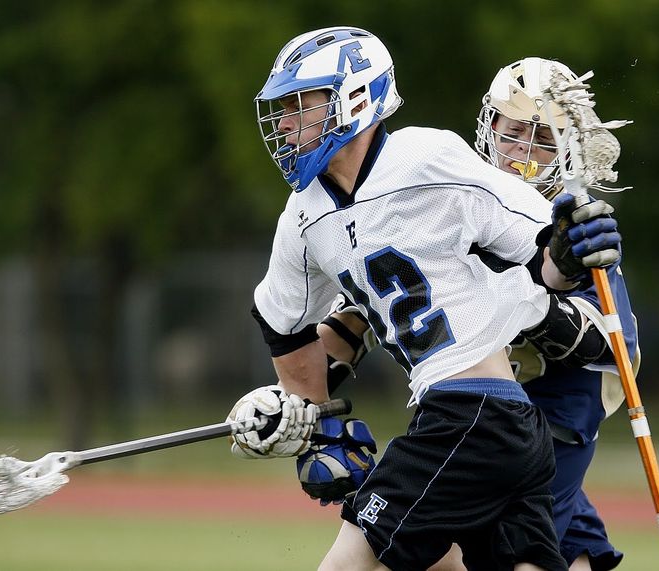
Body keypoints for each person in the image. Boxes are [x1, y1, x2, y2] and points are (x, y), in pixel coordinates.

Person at [227, 27, 622, 571]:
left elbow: (544, 261)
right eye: (285, 107)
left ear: (356, 98)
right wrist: (308, 422)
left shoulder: (429, 158)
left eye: (304, 104)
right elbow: (290, 327)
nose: (289, 124)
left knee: (345, 566)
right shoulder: (302, 217)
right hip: (498, 426)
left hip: (481, 415)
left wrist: (572, 251)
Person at [318, 57, 638, 571]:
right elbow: (358, 313)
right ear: (488, 127)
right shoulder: (450, 193)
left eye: (543, 142)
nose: (523, 158)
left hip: (555, 412)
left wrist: (513, 287)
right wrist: (298, 401)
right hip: (469, 402)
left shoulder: (572, 229)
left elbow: (609, 344)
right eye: (514, 135)